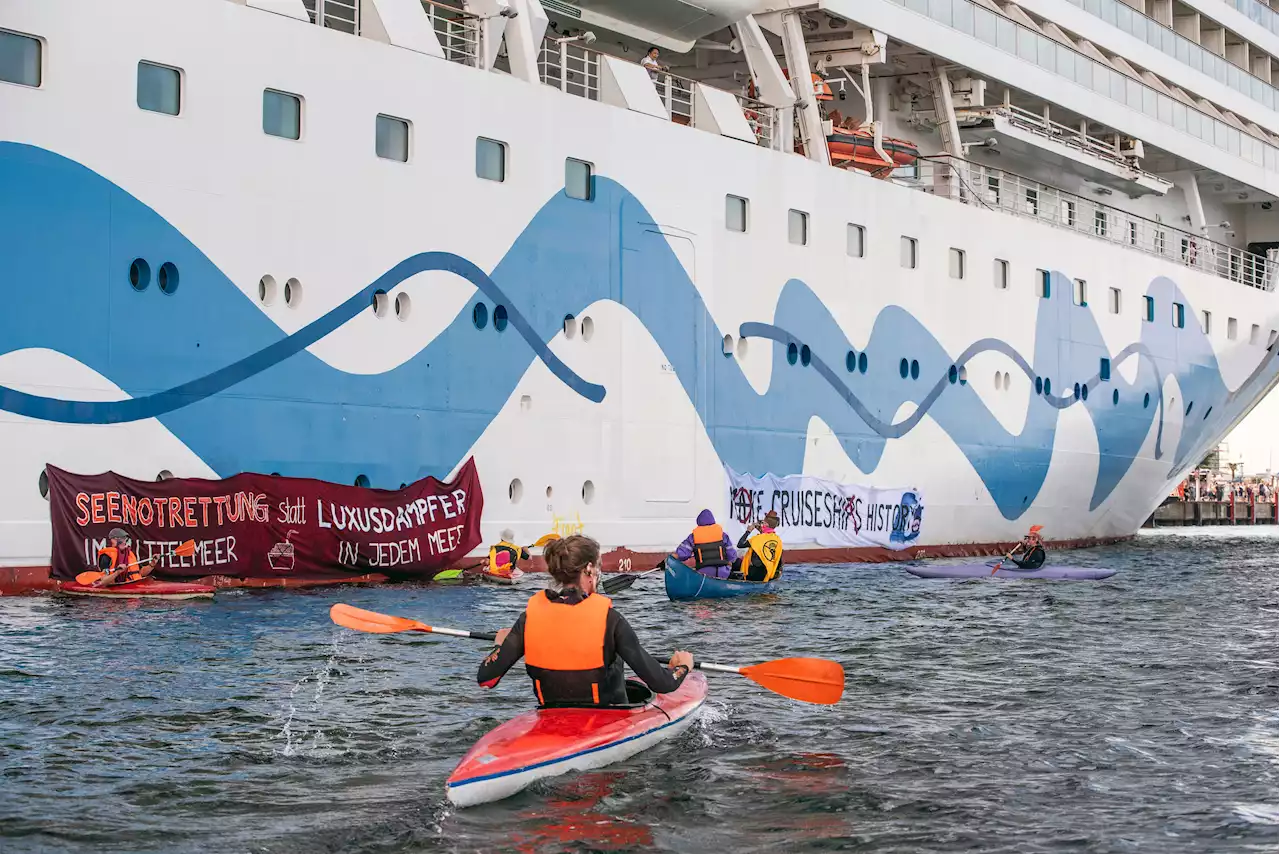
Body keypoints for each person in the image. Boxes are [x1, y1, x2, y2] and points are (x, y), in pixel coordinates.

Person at [477, 534, 693, 707]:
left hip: (552, 716)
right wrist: (682, 666)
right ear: (589, 569)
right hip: (607, 719)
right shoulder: (611, 620)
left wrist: (500, 645)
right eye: (598, 567)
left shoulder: (529, 617)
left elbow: (487, 679)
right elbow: (663, 684)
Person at [674, 509, 737, 579]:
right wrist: (730, 563)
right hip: (723, 572)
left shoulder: (693, 536)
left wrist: (673, 557)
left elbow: (683, 553)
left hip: (703, 572)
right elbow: (732, 555)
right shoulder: (723, 535)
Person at [731, 510, 783, 582]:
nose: (760, 524)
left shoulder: (756, 539)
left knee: (734, 562)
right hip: (767, 573)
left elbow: (740, 544)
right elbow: (778, 559)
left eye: (762, 522)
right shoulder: (778, 540)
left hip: (753, 574)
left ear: (766, 524)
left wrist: (748, 531)